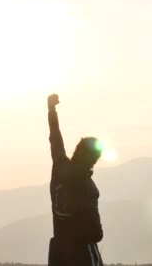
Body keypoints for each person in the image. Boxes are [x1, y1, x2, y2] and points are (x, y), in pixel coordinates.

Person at [47, 94, 104, 266]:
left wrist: (51, 110)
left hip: (58, 252)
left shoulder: (59, 166)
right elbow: (95, 232)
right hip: (82, 252)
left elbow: (55, 139)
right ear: (93, 159)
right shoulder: (85, 185)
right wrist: (98, 234)